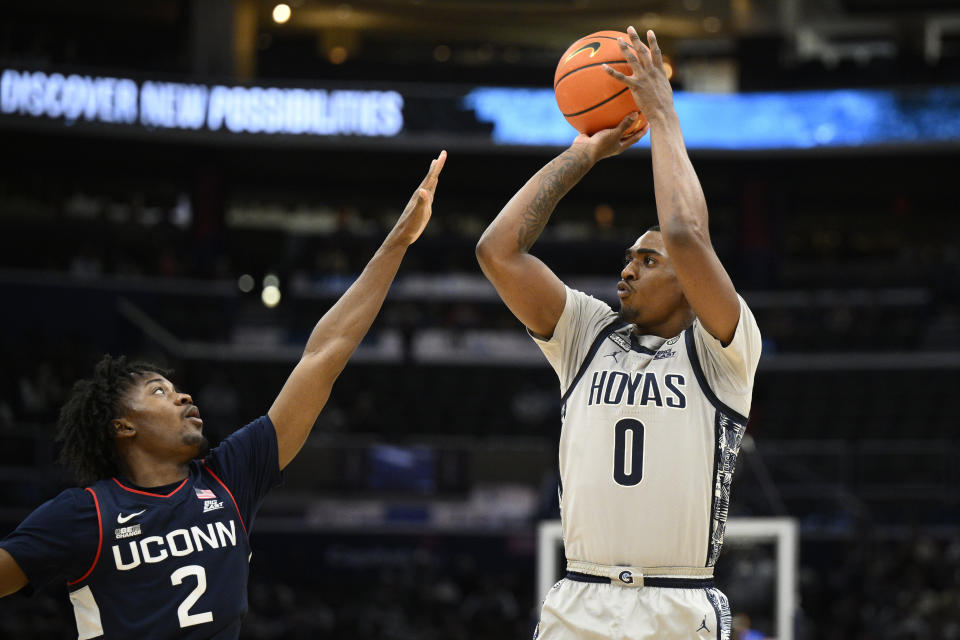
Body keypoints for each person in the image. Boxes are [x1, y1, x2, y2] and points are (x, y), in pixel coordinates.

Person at [0, 151, 446, 639]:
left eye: (175, 388)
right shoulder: (87, 512)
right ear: (122, 425)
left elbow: (324, 354)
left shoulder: (230, 475)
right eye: (158, 391)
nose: (183, 396)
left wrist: (397, 241)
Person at [476, 27, 761, 640]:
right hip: (578, 597)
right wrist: (584, 154)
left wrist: (661, 111)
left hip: (676, 603)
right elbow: (498, 251)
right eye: (629, 256)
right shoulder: (587, 333)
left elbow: (685, 232)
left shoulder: (723, 352)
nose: (627, 267)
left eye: (648, 260)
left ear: (690, 280)